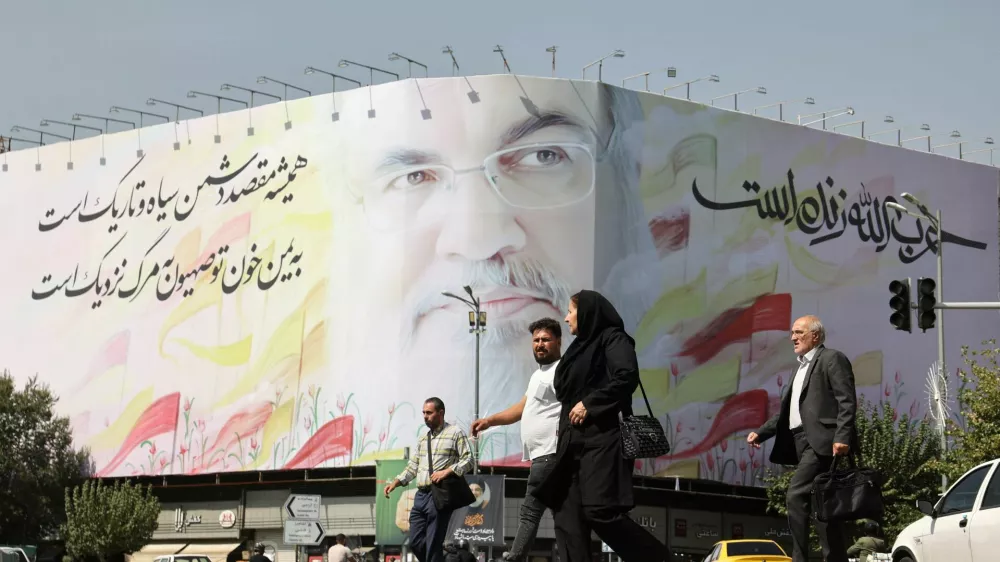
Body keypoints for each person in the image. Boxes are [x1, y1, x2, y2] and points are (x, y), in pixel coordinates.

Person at [327, 79, 665, 465]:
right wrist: (489, 422)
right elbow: (526, 406)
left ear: (628, 180)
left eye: (543, 155)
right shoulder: (550, 374)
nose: (475, 239)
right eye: (413, 177)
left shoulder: (607, 351)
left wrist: (587, 407)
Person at [533, 290, 670, 562]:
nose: (566, 317)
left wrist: (590, 404)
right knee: (566, 516)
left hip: (602, 441)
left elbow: (626, 377)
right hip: (570, 446)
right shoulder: (577, 348)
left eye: (571, 311)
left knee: (599, 511)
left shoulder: (613, 339)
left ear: (586, 313)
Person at [747, 314, 858, 562]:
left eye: (799, 332)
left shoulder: (831, 359)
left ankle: (799, 558)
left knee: (795, 494)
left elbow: (847, 400)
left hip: (824, 443)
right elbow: (788, 412)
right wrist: (762, 432)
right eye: (792, 333)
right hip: (801, 442)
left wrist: (842, 436)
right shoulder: (799, 368)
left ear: (815, 335)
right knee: (823, 506)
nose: (793, 338)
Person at [471, 317, 563, 561]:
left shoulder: (562, 371)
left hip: (551, 454)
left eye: (545, 339)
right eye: (536, 340)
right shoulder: (538, 375)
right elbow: (522, 408)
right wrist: (490, 421)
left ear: (558, 341)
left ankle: (515, 558)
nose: (539, 344)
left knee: (530, 512)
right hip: (542, 456)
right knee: (564, 516)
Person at [383, 397, 475, 562]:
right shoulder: (423, 439)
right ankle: (441, 558)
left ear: (441, 413)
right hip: (421, 496)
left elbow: (469, 460)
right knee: (416, 542)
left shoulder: (455, 433)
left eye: (429, 413)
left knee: (433, 542)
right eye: (423, 413)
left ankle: (437, 557)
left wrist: (447, 471)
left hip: (439, 494)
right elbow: (413, 466)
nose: (425, 416)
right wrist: (396, 482)